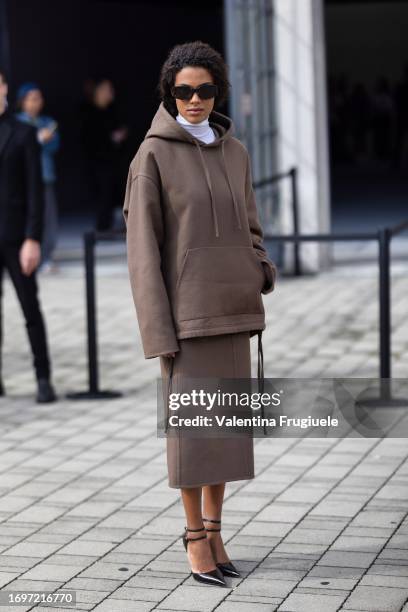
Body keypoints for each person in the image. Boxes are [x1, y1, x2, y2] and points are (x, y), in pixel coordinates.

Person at [123, 41, 277, 587]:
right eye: (184, 90)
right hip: (187, 321)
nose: (194, 99)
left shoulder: (236, 152)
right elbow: (143, 253)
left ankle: (215, 530)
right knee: (193, 437)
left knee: (226, 434)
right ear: (170, 93)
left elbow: (252, 226)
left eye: (205, 90)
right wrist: (157, 331)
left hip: (234, 311)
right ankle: (193, 537)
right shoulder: (152, 157)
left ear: (218, 92)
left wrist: (257, 269)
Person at [0, 69, 56, 403]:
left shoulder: (23, 133)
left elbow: (36, 191)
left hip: (17, 238)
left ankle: (43, 378)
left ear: (4, 88)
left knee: (29, 310)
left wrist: (32, 238)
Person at [16, 82, 60, 272]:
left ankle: (46, 257)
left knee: (49, 218)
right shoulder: (16, 123)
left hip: (45, 176)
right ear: (22, 101)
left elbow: (54, 146)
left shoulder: (46, 122)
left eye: (38, 98)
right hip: (23, 179)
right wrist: (38, 139)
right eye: (32, 99)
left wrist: (45, 140)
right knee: (27, 218)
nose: (36, 102)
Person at [80, 78, 128, 231]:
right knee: (104, 193)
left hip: (116, 160)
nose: (110, 94)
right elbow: (88, 139)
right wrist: (110, 138)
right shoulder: (87, 112)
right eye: (106, 90)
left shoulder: (113, 110)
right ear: (98, 92)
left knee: (123, 190)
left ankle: (125, 224)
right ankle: (103, 227)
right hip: (98, 162)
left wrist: (120, 135)